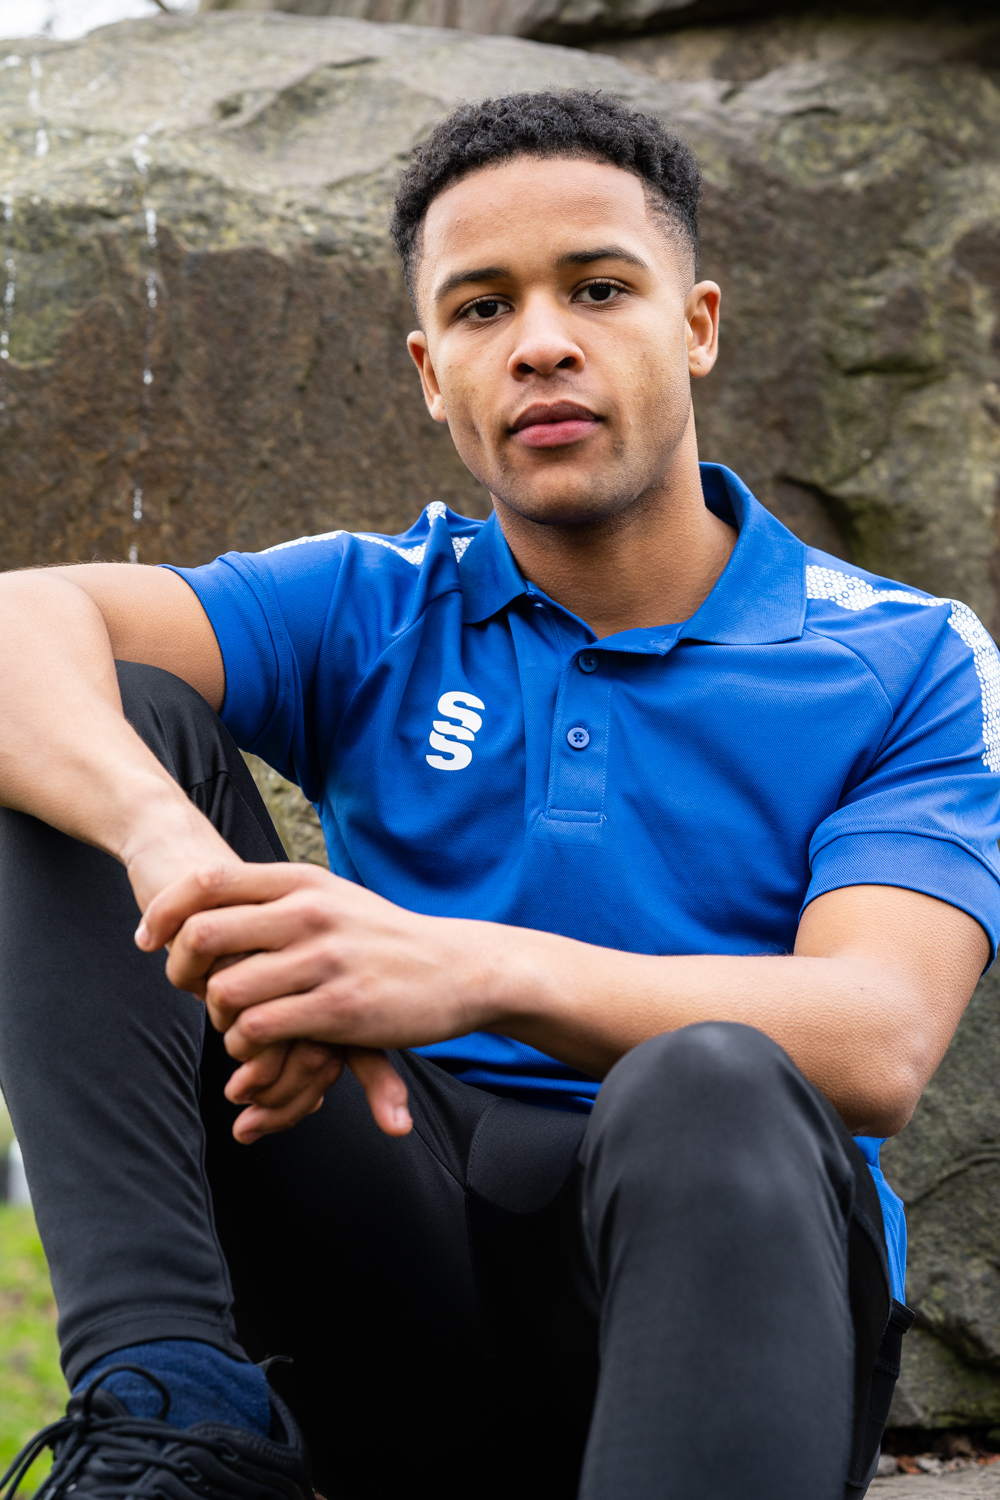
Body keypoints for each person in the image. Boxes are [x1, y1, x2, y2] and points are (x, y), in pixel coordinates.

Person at [0, 89, 996, 1500]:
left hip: (731, 1296)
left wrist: (462, 969)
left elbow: (881, 1035)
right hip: (395, 1277)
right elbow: (17, 625)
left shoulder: (905, 655)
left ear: (697, 325)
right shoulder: (377, 601)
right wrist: (163, 842)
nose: (540, 343)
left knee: (710, 1079)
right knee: (99, 730)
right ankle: (168, 1417)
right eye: (481, 308)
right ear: (431, 371)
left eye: (599, 288)